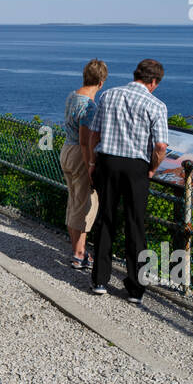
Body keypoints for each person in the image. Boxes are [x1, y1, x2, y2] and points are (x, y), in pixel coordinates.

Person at [86, 58, 168, 303]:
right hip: (136, 167)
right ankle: (135, 289)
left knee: (105, 219)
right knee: (135, 225)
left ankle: (100, 279)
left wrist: (92, 163)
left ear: (136, 75)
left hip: (108, 162)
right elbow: (161, 145)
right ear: (153, 82)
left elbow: (94, 133)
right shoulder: (156, 105)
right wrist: (152, 168)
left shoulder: (109, 96)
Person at [59, 59, 108, 270]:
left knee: (73, 200)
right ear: (101, 82)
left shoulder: (72, 96)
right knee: (85, 204)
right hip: (80, 154)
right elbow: (85, 140)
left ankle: (76, 249)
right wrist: (91, 164)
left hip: (66, 150)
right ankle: (79, 254)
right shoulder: (89, 105)